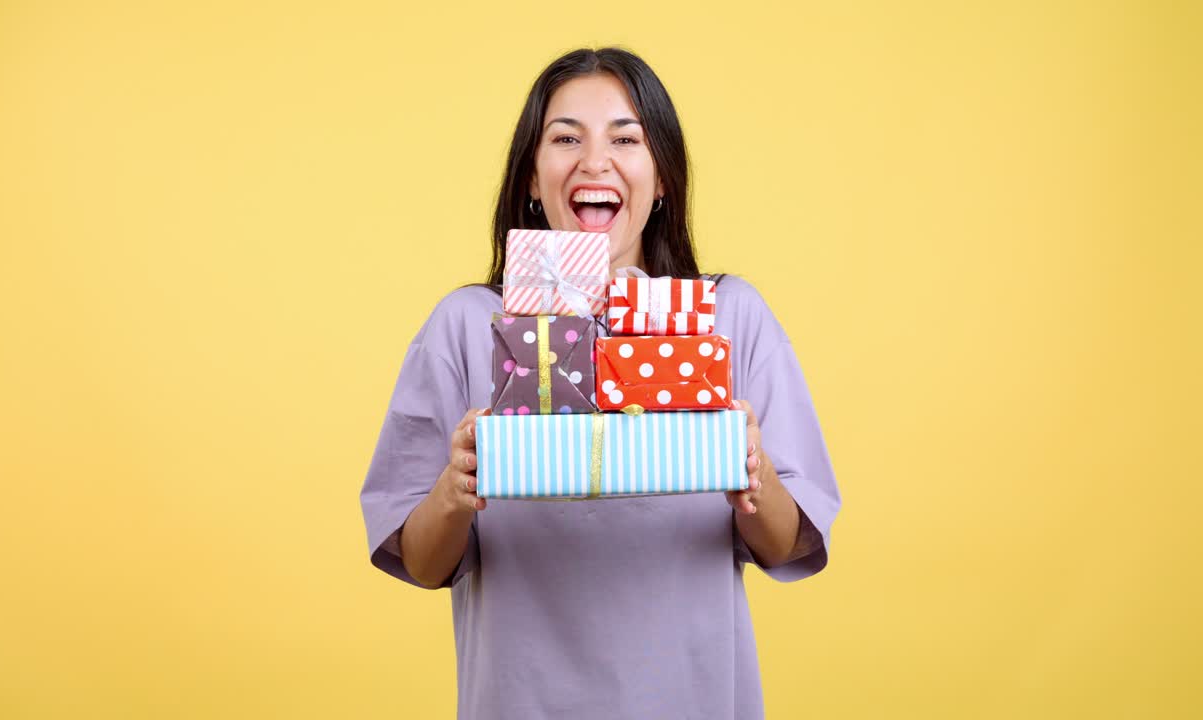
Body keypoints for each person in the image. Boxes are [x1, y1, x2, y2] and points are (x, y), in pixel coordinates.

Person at [360, 47, 842, 720]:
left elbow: (790, 543)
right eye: (565, 138)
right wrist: (453, 489)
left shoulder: (728, 317)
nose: (594, 161)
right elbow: (419, 560)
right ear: (533, 174)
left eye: (625, 138)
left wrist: (752, 470)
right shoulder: (468, 325)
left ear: (663, 176)